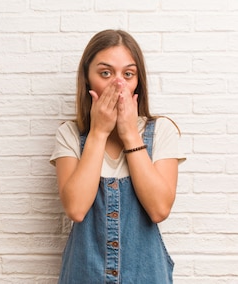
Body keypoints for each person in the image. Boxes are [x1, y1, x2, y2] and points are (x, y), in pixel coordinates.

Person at [49, 29, 186, 283]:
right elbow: (76, 209)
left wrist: (130, 135)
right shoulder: (69, 134)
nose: (118, 83)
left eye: (128, 74)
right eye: (105, 73)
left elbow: (159, 210)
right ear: (88, 79)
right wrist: (99, 132)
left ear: (138, 82)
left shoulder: (161, 132)